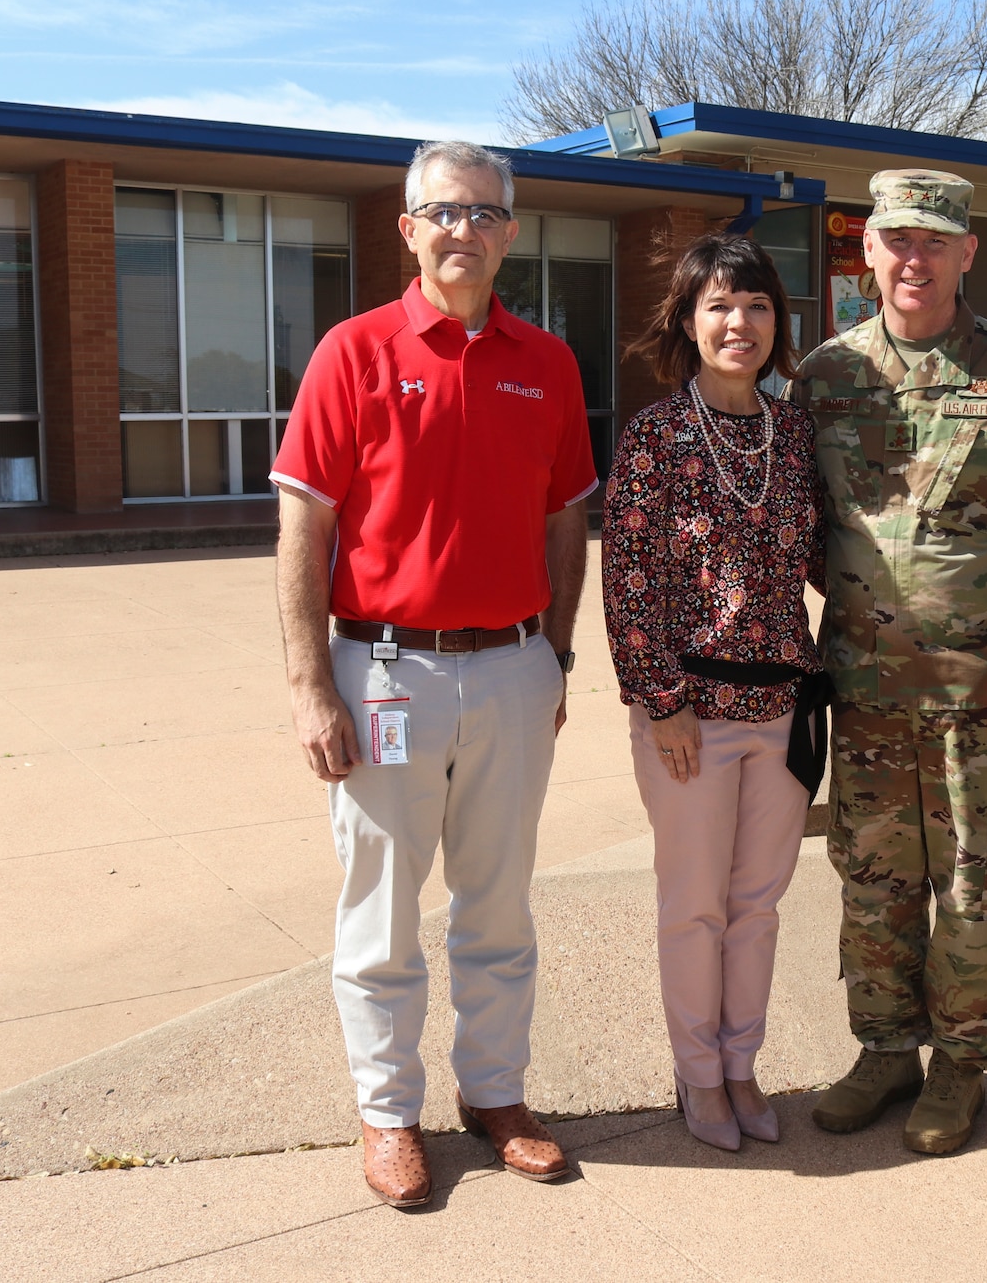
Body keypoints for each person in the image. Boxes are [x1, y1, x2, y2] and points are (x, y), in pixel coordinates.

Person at [271, 139, 597, 1208]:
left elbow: (566, 521)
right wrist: (311, 682)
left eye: (486, 213)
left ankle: (496, 1096)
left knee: (497, 904)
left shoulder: (545, 362)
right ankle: (386, 1113)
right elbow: (303, 529)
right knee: (381, 909)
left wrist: (552, 657)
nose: (465, 230)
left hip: (508, 667)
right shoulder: (353, 352)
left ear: (511, 231)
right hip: (383, 672)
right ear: (407, 228)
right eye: (443, 212)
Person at [793, 169, 987, 1155]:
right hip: (868, 694)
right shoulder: (824, 378)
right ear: (868, 250)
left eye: (933, 241)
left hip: (986, 701)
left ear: (966, 251)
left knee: (979, 887)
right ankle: (884, 1049)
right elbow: (798, 529)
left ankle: (960, 1066)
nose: (912, 258)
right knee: (873, 881)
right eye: (895, 239)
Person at [603, 232, 827, 1152]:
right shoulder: (654, 438)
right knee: (694, 904)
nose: (742, 323)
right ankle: (698, 1076)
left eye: (759, 305)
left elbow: (829, 559)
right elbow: (629, 579)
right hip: (690, 717)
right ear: (690, 323)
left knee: (758, 905)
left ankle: (742, 1064)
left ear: (779, 322)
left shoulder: (797, 432)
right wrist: (662, 701)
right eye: (721, 307)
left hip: (785, 712)